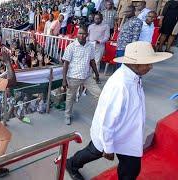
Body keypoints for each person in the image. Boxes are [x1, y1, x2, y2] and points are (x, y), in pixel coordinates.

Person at [65, 41, 172, 180]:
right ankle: (71, 164)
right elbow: (107, 120)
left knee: (131, 169)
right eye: (148, 63)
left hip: (127, 134)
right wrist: (109, 148)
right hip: (111, 133)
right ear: (135, 64)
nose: (151, 67)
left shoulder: (134, 76)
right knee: (94, 152)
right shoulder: (120, 85)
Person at [62, 26, 101, 125]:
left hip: (87, 77)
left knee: (99, 94)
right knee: (70, 97)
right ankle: (67, 115)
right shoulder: (71, 46)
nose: (82, 35)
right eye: (79, 33)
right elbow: (65, 63)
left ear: (87, 35)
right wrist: (64, 80)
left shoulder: (90, 46)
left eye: (84, 33)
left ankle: (99, 116)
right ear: (76, 34)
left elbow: (92, 61)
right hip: (73, 77)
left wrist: (96, 74)